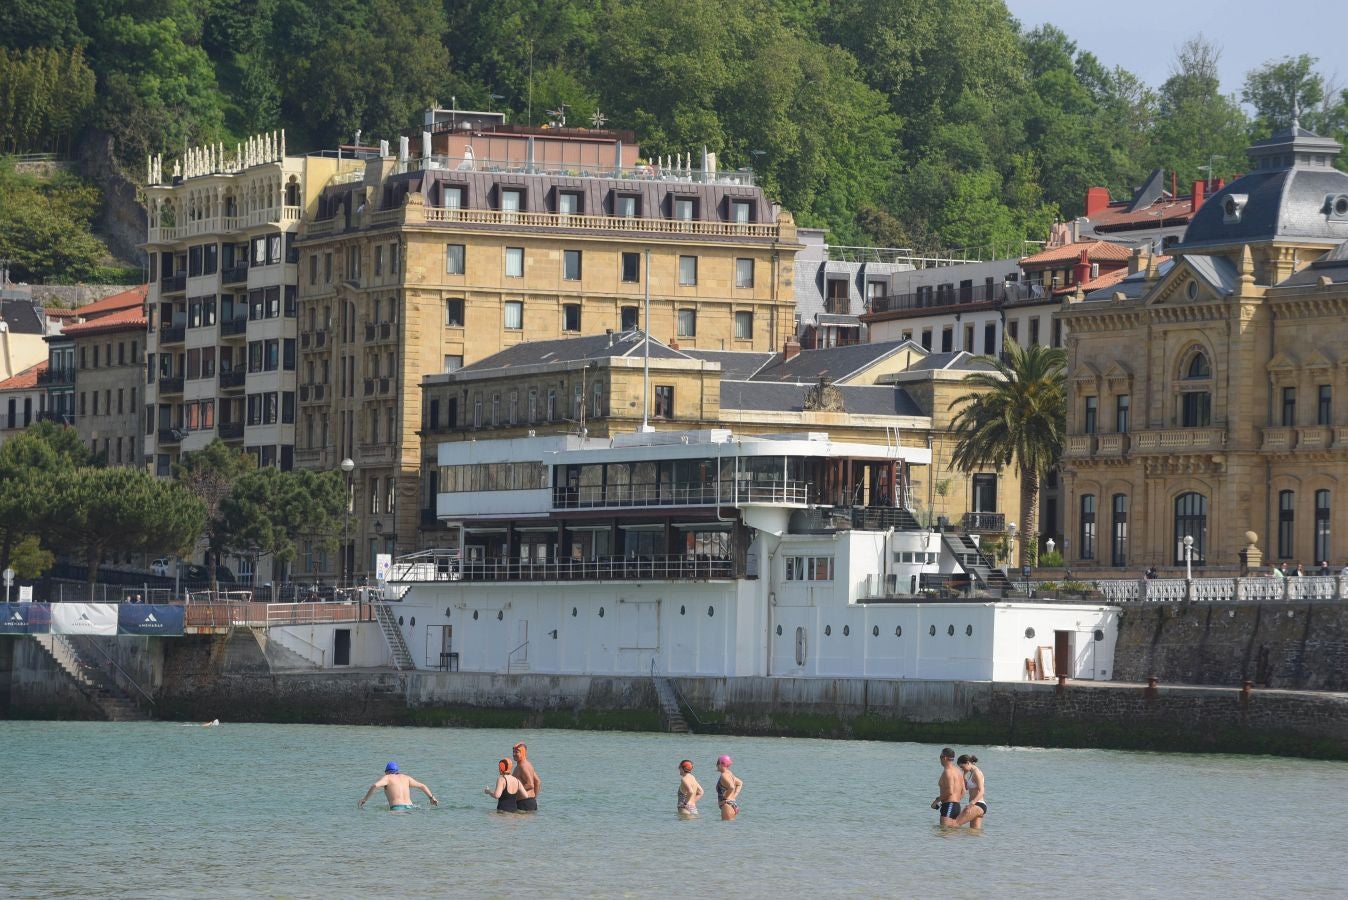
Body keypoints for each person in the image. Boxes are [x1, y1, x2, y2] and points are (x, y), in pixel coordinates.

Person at [359, 762, 438, 811]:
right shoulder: (406, 778)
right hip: (411, 807)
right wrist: (432, 798)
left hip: (397, 809)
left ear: (386, 772)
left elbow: (375, 785)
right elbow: (422, 786)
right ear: (397, 771)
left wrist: (364, 799)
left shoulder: (387, 777)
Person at [930, 747, 963, 826]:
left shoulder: (947, 772)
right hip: (956, 806)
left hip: (949, 805)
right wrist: (955, 801)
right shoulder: (958, 771)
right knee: (951, 835)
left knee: (944, 834)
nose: (940, 759)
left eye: (940, 757)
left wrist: (936, 801)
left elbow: (949, 792)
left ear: (944, 758)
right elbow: (964, 790)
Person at [953, 754, 986, 829]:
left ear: (968, 763)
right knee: (974, 833)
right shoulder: (972, 773)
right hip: (977, 806)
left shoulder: (977, 773)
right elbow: (965, 788)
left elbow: (982, 791)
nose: (962, 769)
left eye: (962, 767)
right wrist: (964, 774)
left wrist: (972, 803)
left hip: (977, 805)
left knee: (953, 826)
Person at [510, 742, 540, 812]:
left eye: (517, 752)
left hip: (524, 803)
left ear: (523, 752)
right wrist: (533, 798)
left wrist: (513, 792)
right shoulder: (527, 764)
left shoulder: (523, 766)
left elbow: (530, 784)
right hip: (529, 802)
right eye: (513, 752)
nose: (514, 754)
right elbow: (537, 781)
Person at [714, 754, 742, 820]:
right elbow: (740, 783)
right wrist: (734, 796)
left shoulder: (724, 775)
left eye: (717, 763)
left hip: (727, 805)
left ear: (721, 764)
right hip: (732, 803)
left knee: (724, 829)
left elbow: (731, 787)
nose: (716, 765)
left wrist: (725, 798)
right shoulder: (729, 773)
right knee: (730, 828)